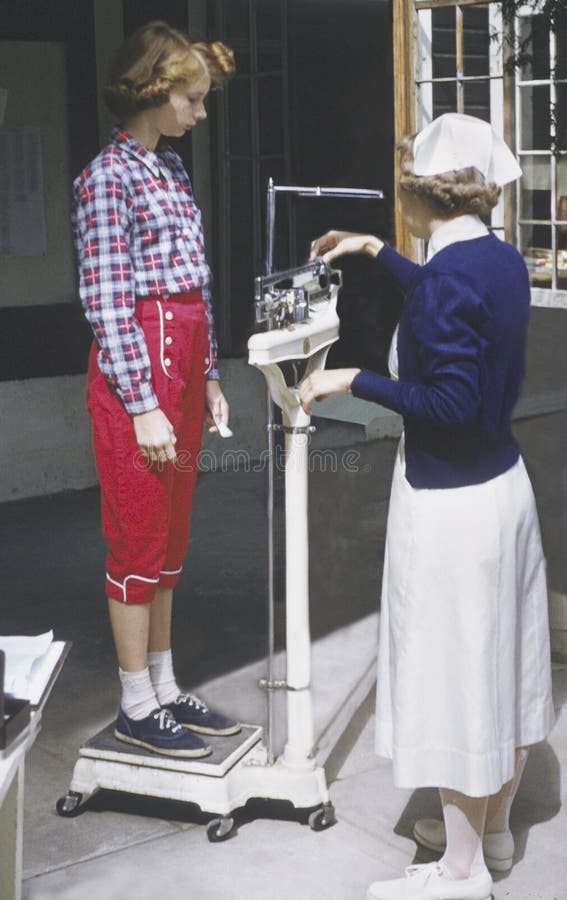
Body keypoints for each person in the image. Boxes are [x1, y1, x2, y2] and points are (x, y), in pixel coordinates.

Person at [299, 113, 555, 900]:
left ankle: (458, 869)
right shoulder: (498, 260)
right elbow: (453, 299)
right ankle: (496, 833)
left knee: (457, 682)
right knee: (501, 670)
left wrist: (350, 379)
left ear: (417, 194)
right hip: (502, 492)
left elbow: (446, 399)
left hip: (451, 511)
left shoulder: (452, 279)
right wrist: (378, 254)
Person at [72, 21, 239, 759]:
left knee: (170, 539)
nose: (200, 114)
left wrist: (206, 378)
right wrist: (142, 405)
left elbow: (192, 284)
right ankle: (135, 703)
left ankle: (165, 688)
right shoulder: (106, 177)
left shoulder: (167, 169)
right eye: (192, 99)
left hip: (183, 362)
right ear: (152, 91)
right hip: (137, 375)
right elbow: (109, 304)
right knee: (137, 537)